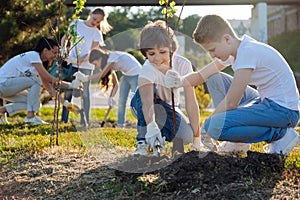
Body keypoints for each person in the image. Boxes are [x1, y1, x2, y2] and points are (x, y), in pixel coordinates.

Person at [164, 14, 300, 155]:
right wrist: (180, 81)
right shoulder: (236, 50)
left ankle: (280, 135)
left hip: (284, 110)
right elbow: (200, 76)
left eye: (212, 50)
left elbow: (231, 102)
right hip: (265, 101)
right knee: (215, 78)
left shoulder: (247, 53)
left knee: (214, 126)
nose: (211, 55)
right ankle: (238, 142)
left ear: (227, 39)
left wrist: (206, 128)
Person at [128, 20, 201, 155]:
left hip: (168, 108)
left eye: (162, 52)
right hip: (142, 106)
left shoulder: (183, 65)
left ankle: (160, 135)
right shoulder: (147, 68)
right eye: (151, 54)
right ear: (145, 53)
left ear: (171, 49)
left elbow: (191, 102)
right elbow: (146, 101)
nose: (157, 58)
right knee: (148, 90)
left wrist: (197, 138)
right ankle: (142, 142)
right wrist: (151, 126)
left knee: (187, 136)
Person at [0, 37, 80, 124]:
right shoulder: (33, 55)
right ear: (45, 50)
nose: (55, 56)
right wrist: (70, 85)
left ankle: (2, 111)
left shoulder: (38, 64)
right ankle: (30, 117)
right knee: (36, 81)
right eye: (54, 52)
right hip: (3, 84)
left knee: (36, 103)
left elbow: (49, 88)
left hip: (8, 88)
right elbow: (49, 78)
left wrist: (67, 105)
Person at [60, 8, 112, 125]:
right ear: (90, 14)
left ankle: (85, 121)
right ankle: (64, 119)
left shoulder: (96, 33)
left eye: (98, 22)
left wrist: (78, 60)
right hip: (70, 63)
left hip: (86, 66)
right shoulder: (76, 23)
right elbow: (65, 38)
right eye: (94, 19)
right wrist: (63, 49)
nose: (95, 23)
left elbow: (92, 53)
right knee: (68, 91)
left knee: (85, 94)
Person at [75, 47, 142, 127]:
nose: (96, 67)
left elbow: (101, 75)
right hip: (126, 75)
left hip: (137, 74)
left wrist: (86, 78)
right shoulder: (109, 63)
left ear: (99, 58)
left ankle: (143, 123)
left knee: (136, 101)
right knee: (121, 102)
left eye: (95, 64)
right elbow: (115, 84)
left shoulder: (112, 58)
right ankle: (120, 125)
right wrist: (111, 98)